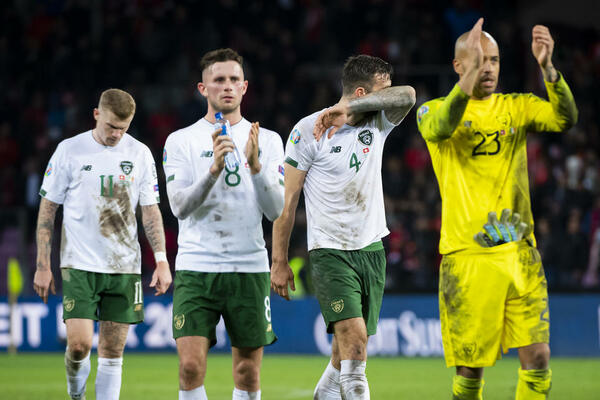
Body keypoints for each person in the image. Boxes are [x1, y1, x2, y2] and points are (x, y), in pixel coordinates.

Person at [416, 18, 577, 399]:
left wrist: (548, 69)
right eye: (478, 60)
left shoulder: (516, 107)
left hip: (520, 253)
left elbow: (565, 118)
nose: (487, 68)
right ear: (458, 65)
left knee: (538, 358)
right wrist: (468, 79)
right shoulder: (432, 111)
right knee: (470, 372)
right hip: (467, 258)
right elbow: (440, 127)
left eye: (494, 60)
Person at [271, 54, 416, 400]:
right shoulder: (308, 130)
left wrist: (350, 109)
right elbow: (287, 201)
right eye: (382, 90)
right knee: (354, 343)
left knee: (343, 352)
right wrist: (279, 260)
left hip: (372, 248)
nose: (388, 95)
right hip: (330, 252)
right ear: (363, 91)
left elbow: (409, 95)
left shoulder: (378, 120)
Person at [33, 88, 173, 400]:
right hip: (79, 263)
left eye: (123, 128)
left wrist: (161, 260)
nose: (116, 134)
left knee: (112, 351)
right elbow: (48, 209)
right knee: (79, 345)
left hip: (124, 265)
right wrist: (43, 265)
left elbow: (150, 211)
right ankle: (76, 393)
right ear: (97, 115)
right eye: (111, 126)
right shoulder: (69, 150)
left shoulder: (140, 154)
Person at [163, 48, 284, 400]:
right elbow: (179, 207)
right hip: (196, 266)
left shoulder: (268, 140)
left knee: (247, 372)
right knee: (190, 367)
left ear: (244, 87)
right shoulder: (181, 140)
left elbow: (275, 210)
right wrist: (213, 170)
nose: (227, 86)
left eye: (234, 79)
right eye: (218, 80)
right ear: (203, 88)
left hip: (248, 267)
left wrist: (256, 168)